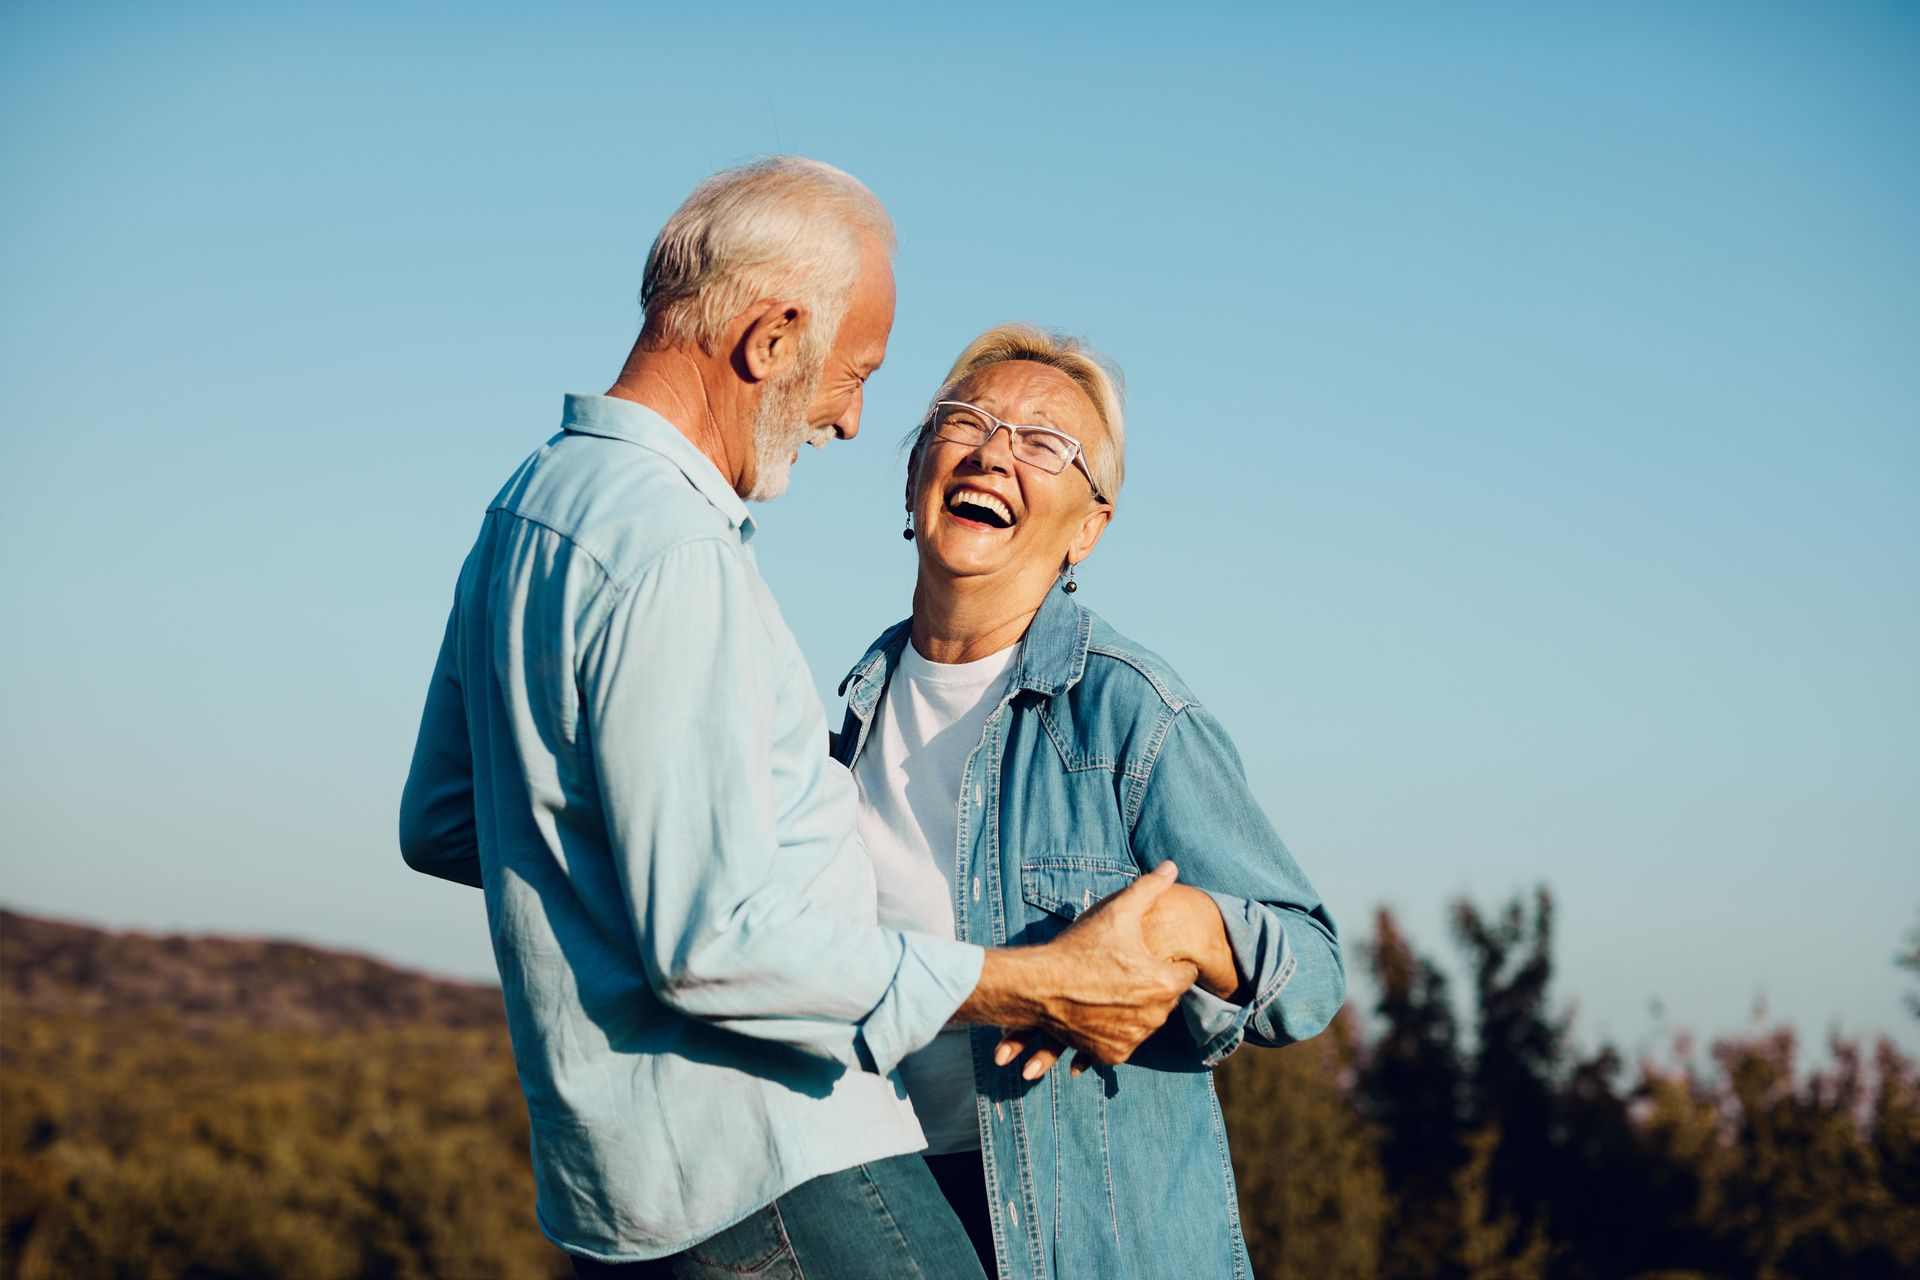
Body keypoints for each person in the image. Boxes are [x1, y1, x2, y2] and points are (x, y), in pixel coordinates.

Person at [398, 160, 1202, 1277]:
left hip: (615, 1196)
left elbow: (443, 818)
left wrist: (631, 870)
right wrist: (1035, 980)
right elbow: (714, 942)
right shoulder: (676, 553)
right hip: (777, 1172)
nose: (850, 418)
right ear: (771, 338)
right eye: (853, 372)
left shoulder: (530, 505)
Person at [832, 324, 1347, 1279]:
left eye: (1043, 443)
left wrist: (1191, 924)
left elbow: (1312, 969)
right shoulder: (844, 713)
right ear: (914, 476)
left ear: (1088, 527)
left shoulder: (1128, 710)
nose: (993, 452)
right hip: (887, 1209)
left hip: (1087, 1243)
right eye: (966, 422)